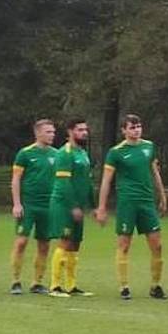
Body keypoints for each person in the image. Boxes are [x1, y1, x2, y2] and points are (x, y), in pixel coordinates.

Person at [97, 114, 168, 300]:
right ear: (124, 130)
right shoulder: (116, 152)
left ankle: (156, 286)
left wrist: (162, 195)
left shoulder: (149, 147)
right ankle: (124, 286)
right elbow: (106, 180)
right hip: (127, 203)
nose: (136, 130)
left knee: (157, 245)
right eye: (132, 127)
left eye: (138, 126)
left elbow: (154, 172)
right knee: (124, 245)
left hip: (147, 202)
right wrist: (102, 207)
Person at [47, 119, 96, 298]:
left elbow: (87, 182)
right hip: (63, 205)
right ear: (70, 131)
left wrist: (93, 206)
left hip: (78, 207)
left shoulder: (82, 153)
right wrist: (73, 206)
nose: (84, 133)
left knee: (75, 244)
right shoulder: (65, 153)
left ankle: (71, 285)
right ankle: (55, 286)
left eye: (85, 129)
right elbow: (64, 183)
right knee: (65, 241)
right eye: (80, 130)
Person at [9, 119, 57, 295]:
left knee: (44, 244)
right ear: (38, 133)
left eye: (53, 132)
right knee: (21, 241)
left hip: (49, 206)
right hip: (29, 205)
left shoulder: (56, 154)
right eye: (48, 132)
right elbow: (16, 179)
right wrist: (17, 203)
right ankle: (15, 280)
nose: (52, 135)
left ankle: (37, 282)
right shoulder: (25, 153)